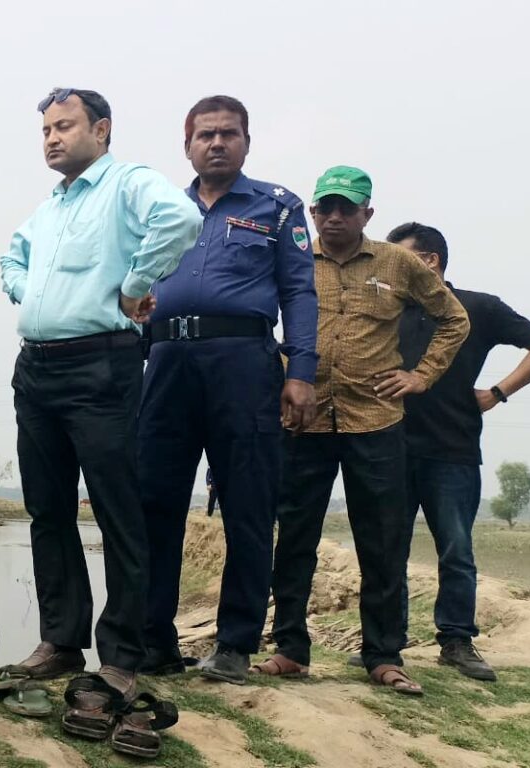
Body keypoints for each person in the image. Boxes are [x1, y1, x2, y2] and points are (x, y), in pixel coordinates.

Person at [0, 86, 200, 747]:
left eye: (65, 126)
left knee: (117, 511)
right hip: (37, 369)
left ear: (102, 129)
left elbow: (179, 219)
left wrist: (136, 285)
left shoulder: (126, 183)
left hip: (100, 364)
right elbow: (10, 257)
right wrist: (33, 291)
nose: (53, 138)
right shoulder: (51, 206)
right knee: (47, 510)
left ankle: (120, 657)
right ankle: (61, 641)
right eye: (46, 130)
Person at [257, 167, 468, 696]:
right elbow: (257, 319)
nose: (334, 217)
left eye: (346, 208)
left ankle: (383, 654)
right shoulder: (291, 258)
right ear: (312, 212)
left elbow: (454, 319)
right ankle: (290, 648)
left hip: (375, 421)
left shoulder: (398, 262)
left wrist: (421, 376)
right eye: (325, 207)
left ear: (366, 214)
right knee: (295, 536)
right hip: (303, 420)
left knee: (382, 541)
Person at [138, 96, 318, 685]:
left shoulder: (277, 206)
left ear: (246, 141)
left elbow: (299, 291)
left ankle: (235, 645)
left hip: (242, 363)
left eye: (229, 134)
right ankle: (154, 642)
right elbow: (132, 282)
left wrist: (301, 371)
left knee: (248, 504)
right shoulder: (162, 208)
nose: (217, 143)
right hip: (165, 361)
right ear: (187, 145)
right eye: (206, 135)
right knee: (155, 503)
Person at [391, 221, 530, 681]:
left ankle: (456, 641)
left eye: (401, 259)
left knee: (456, 551)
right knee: (388, 550)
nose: (392, 269)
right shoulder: (386, 309)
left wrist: (498, 392)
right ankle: (385, 644)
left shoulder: (477, 307)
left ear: (430, 261)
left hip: (453, 450)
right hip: (388, 448)